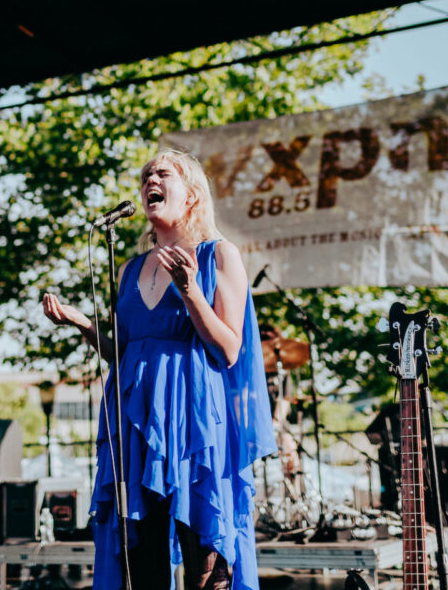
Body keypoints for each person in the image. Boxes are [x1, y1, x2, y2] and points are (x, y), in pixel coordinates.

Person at [42, 149, 276, 590]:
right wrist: (82, 323)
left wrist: (191, 292)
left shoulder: (219, 255)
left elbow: (229, 349)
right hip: (137, 426)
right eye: (146, 175)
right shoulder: (129, 269)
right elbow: (123, 353)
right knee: (142, 559)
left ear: (191, 194)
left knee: (205, 561)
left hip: (194, 426)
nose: (151, 179)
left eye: (163, 173)